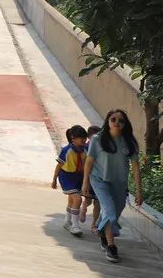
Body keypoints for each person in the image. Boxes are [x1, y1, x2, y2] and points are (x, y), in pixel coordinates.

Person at [83, 109, 143, 263]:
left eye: (121, 121)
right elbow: (89, 161)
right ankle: (111, 246)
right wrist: (85, 182)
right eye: (113, 119)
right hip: (99, 180)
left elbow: (136, 167)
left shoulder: (129, 141)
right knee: (109, 209)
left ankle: (102, 232)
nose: (117, 123)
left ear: (125, 124)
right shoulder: (98, 139)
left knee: (115, 212)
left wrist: (139, 191)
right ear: (108, 121)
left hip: (119, 183)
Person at [52, 125, 88, 237]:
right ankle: (75, 225)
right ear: (73, 138)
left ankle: (67, 221)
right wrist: (54, 179)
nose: (84, 140)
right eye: (81, 137)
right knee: (78, 199)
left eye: (85, 137)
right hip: (67, 177)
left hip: (78, 177)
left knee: (72, 200)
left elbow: (86, 166)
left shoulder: (85, 150)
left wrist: (86, 180)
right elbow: (59, 166)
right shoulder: (66, 150)